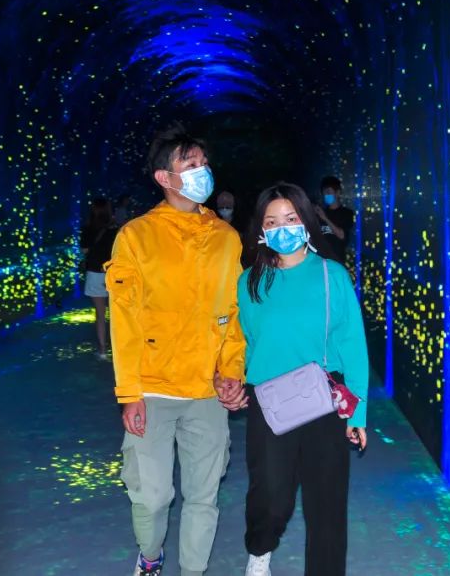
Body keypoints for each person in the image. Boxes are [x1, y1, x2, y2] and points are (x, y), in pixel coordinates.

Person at [105, 125, 246, 576]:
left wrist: (232, 372)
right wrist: (129, 393)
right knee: (151, 496)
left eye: (204, 162)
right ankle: (150, 556)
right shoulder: (136, 236)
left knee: (204, 495)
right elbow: (124, 319)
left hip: (207, 391)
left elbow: (234, 313)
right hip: (153, 388)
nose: (203, 171)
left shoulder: (226, 238)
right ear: (164, 178)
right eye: (190, 164)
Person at [238, 182, 369, 576]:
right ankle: (260, 549)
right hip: (268, 400)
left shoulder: (333, 276)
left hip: (322, 399)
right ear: (261, 229)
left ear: (307, 221)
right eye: (272, 221)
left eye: (291, 218)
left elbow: (353, 344)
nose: (282, 228)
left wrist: (358, 413)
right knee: (271, 495)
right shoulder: (250, 281)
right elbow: (246, 341)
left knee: (326, 505)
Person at [80, 197, 119, 360]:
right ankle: (119, 350)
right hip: (113, 273)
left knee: (100, 314)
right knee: (118, 314)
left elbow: (84, 251)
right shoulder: (115, 229)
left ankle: (102, 350)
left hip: (95, 273)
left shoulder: (87, 229)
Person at [313, 176, 355, 265]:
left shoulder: (347, 213)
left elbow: (341, 235)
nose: (326, 195)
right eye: (324, 193)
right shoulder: (320, 212)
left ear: (338, 193)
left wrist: (325, 218)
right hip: (321, 261)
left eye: (328, 192)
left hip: (337, 261)